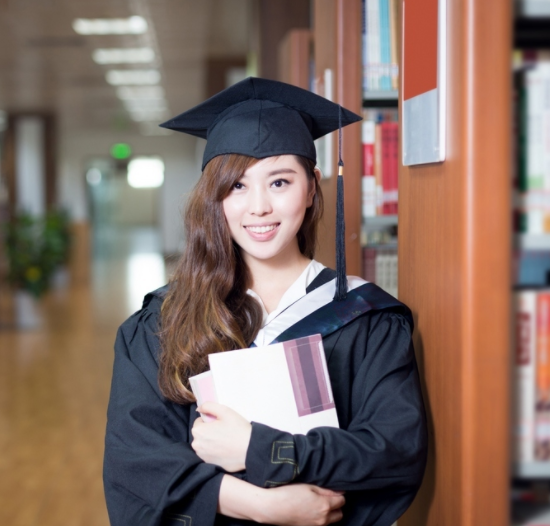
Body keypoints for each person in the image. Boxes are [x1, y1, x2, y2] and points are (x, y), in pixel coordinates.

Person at [103, 77, 427, 526]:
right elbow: (135, 461)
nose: (259, 207)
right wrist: (263, 505)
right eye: (236, 186)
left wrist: (257, 449)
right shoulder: (161, 322)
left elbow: (394, 452)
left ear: (312, 187)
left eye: (279, 182)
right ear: (213, 198)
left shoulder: (365, 317)